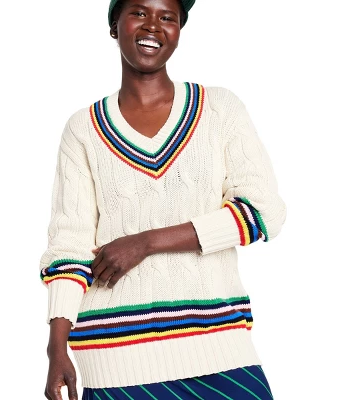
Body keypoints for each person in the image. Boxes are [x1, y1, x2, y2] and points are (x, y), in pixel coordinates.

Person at [39, 0, 287, 399]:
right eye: (139, 12)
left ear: (178, 31)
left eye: (167, 17)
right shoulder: (83, 129)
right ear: (114, 25)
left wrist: (146, 243)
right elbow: (69, 246)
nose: (153, 25)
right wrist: (56, 349)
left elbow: (263, 212)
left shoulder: (218, 108)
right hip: (114, 360)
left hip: (218, 344)